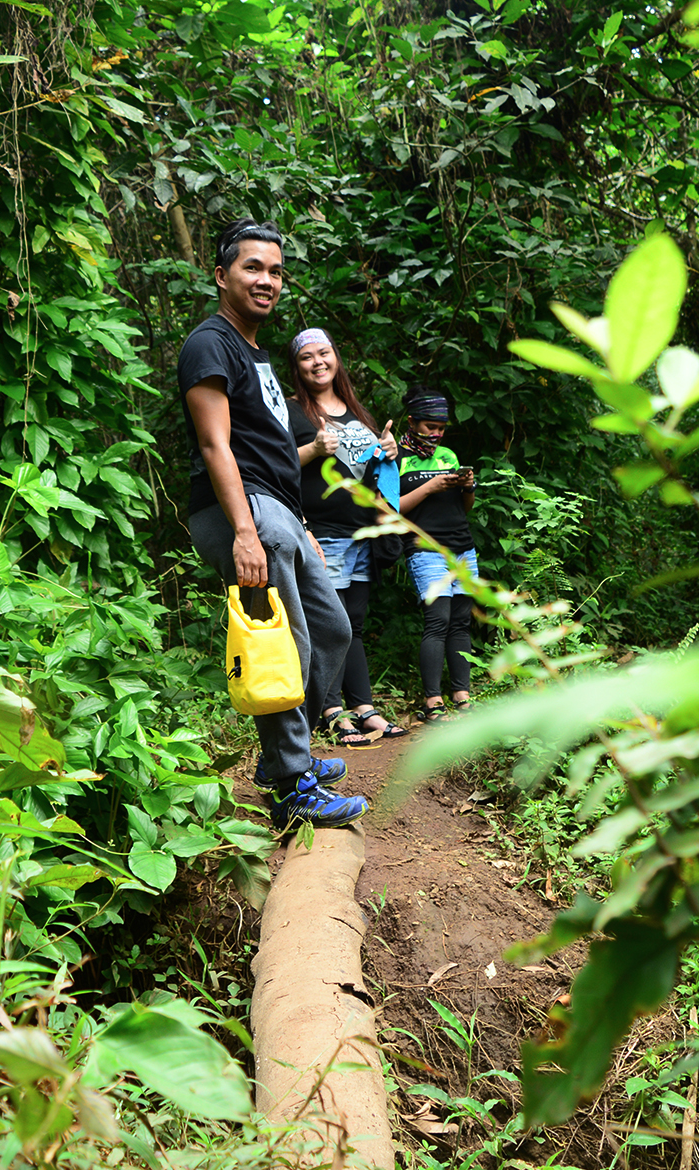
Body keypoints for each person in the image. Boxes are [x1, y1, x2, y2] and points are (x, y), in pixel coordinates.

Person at [179, 219, 368, 828]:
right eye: (252, 268)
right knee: (280, 645)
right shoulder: (210, 344)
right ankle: (292, 783)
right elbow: (216, 447)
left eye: (276, 271)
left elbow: (272, 451)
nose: (267, 280)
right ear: (221, 276)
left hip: (280, 512)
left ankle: (284, 756)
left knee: (331, 629)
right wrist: (243, 531)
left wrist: (301, 522)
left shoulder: (254, 351)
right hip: (244, 512)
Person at [288, 327, 410, 747]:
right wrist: (313, 451)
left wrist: (389, 450)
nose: (317, 362)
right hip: (323, 533)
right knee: (332, 625)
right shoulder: (292, 412)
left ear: (336, 358)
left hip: (362, 535)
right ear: (297, 367)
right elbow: (275, 466)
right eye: (307, 357)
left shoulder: (356, 412)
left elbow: (371, 472)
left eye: (324, 353)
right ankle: (330, 709)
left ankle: (363, 706)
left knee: (353, 623)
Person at [395, 386, 477, 723]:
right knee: (438, 620)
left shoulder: (449, 456)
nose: (437, 434)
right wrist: (431, 486)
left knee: (461, 621)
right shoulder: (396, 458)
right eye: (431, 427)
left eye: (441, 428)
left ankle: (462, 694)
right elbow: (392, 509)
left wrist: (467, 486)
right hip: (425, 549)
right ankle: (432, 700)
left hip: (462, 546)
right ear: (413, 422)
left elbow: (465, 507)